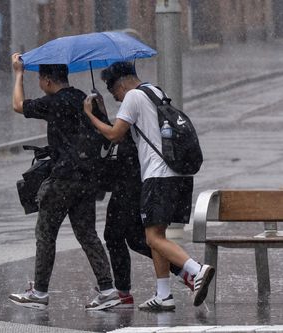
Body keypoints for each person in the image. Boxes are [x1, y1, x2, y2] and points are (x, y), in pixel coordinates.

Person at [83, 62, 215, 311]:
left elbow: (114, 135)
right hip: (176, 174)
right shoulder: (155, 91)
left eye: (115, 95)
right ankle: (163, 294)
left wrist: (91, 115)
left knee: (152, 237)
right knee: (156, 236)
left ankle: (196, 270)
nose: (118, 100)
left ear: (121, 85)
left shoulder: (132, 96)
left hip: (158, 176)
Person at [8, 53, 117, 311]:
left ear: (47, 80)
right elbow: (109, 134)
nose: (39, 84)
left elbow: (18, 105)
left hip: (62, 179)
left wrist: (18, 73)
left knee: (45, 234)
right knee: (87, 234)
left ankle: (40, 292)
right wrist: (101, 107)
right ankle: (108, 289)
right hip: (88, 179)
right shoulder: (85, 99)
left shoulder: (52, 102)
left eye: (39, 79)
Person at [102, 130, 194, 308]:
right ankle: (183, 272)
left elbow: (115, 133)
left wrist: (92, 115)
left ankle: (124, 293)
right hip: (137, 176)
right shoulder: (141, 104)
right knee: (135, 239)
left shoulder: (134, 102)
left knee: (121, 236)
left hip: (133, 178)